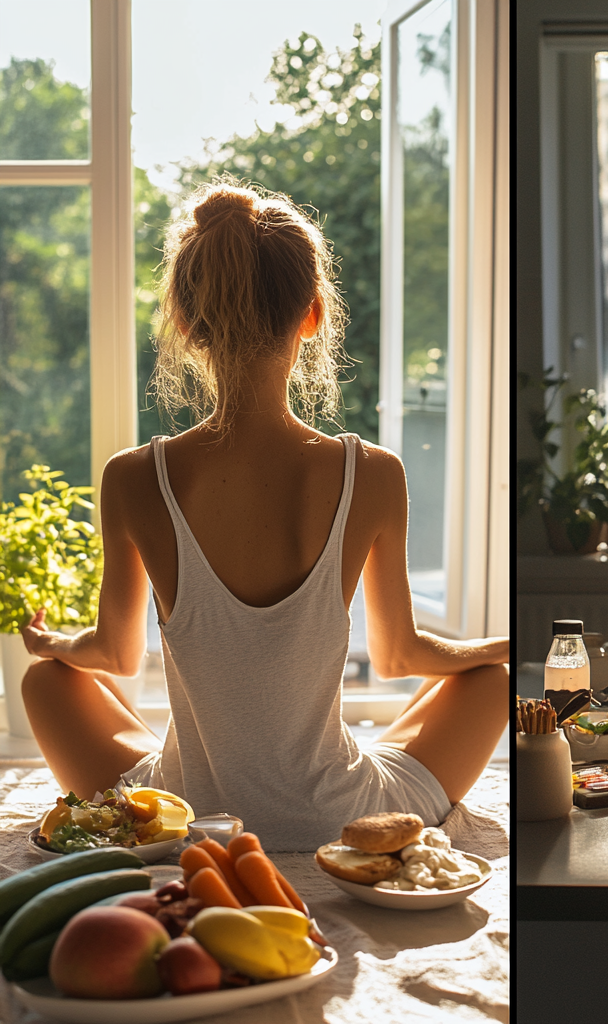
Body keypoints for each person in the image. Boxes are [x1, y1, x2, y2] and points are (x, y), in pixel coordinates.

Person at [19, 181, 509, 851]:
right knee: (488, 682)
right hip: (337, 817)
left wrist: (54, 644)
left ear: (186, 323)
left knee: (46, 681)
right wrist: (501, 647)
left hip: (187, 817)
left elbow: (116, 655)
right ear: (313, 316)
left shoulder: (133, 476)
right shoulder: (372, 472)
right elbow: (401, 656)